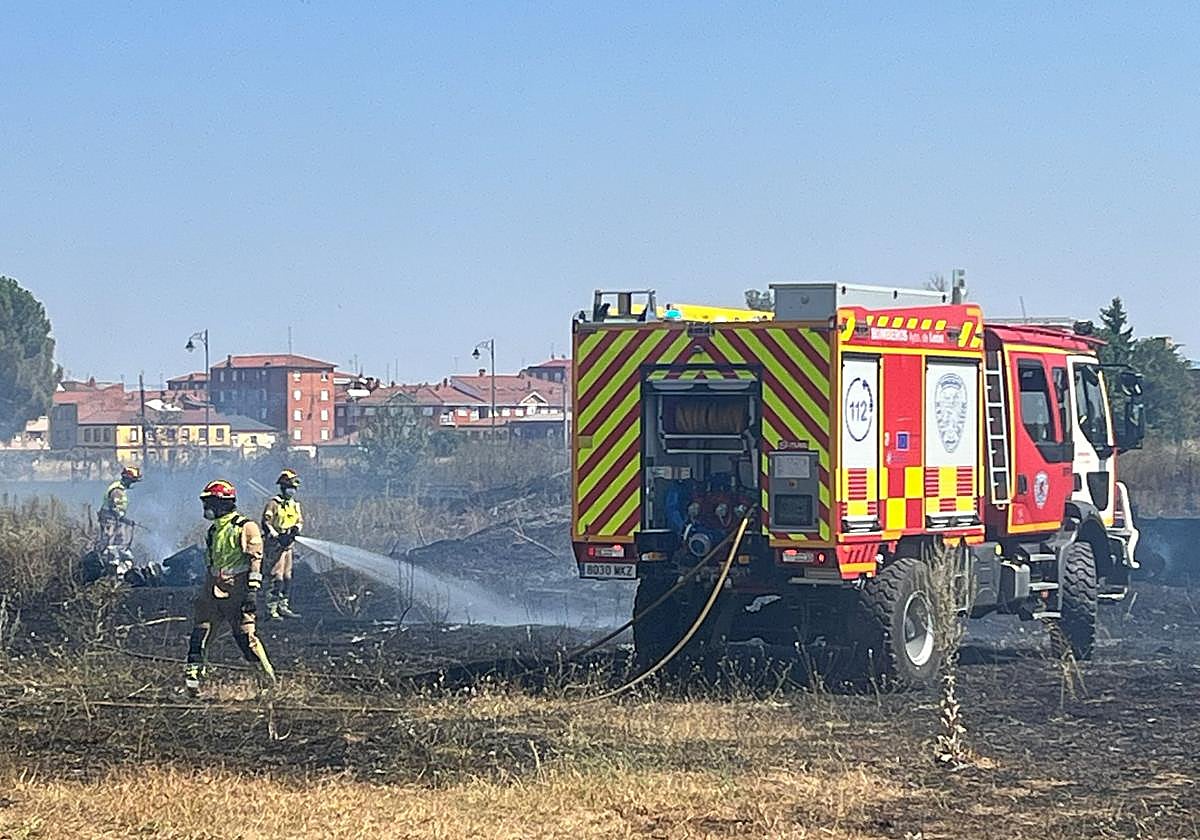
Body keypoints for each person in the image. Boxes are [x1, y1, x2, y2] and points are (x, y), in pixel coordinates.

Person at [184, 479, 275, 696]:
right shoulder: (214, 530)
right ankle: (192, 686)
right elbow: (212, 562)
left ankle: (268, 683)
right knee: (200, 635)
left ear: (223, 503)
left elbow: (255, 560)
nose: (206, 508)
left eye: (210, 503)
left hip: (237, 591)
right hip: (212, 589)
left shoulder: (246, 527)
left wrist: (252, 592)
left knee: (246, 639)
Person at [262, 468, 304, 621]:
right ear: (283, 487)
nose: (292, 491)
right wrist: (277, 536)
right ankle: (271, 608)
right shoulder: (274, 503)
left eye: (294, 488)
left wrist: (295, 530)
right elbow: (266, 523)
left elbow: (299, 521)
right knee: (276, 576)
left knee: (287, 577)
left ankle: (283, 605)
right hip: (275, 545)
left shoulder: (294, 505)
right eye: (290, 488)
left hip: (288, 546)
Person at [96, 466, 141, 571]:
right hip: (109, 520)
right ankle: (110, 566)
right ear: (127, 479)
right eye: (132, 480)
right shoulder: (117, 490)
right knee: (110, 542)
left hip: (112, 519)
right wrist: (125, 520)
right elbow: (116, 509)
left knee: (115, 540)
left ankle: (115, 564)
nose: (132, 483)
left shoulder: (119, 488)